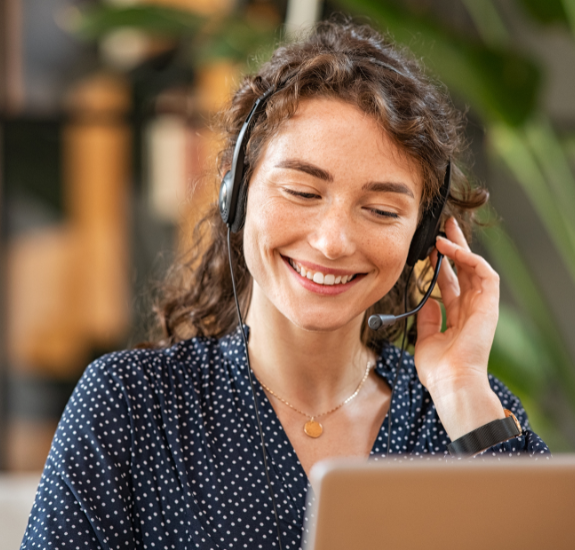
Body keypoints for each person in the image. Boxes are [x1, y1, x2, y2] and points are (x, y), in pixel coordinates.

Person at [21, 19, 549, 550]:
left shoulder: (466, 413)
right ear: (238, 192)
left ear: (420, 238)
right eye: (302, 191)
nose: (333, 241)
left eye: (382, 209)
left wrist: (462, 393)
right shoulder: (132, 405)